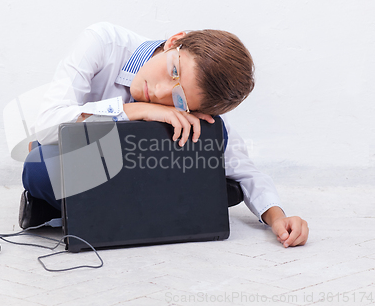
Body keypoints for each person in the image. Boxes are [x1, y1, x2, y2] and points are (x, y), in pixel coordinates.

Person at [22, 22, 309, 248]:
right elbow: (45, 126)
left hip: (134, 173)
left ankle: (77, 210)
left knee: (214, 146)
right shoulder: (103, 42)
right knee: (40, 167)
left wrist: (278, 218)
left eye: (180, 100)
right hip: (79, 158)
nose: (159, 92)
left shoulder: (196, 109)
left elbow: (244, 170)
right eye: (173, 71)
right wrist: (134, 111)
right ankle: (171, 203)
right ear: (175, 41)